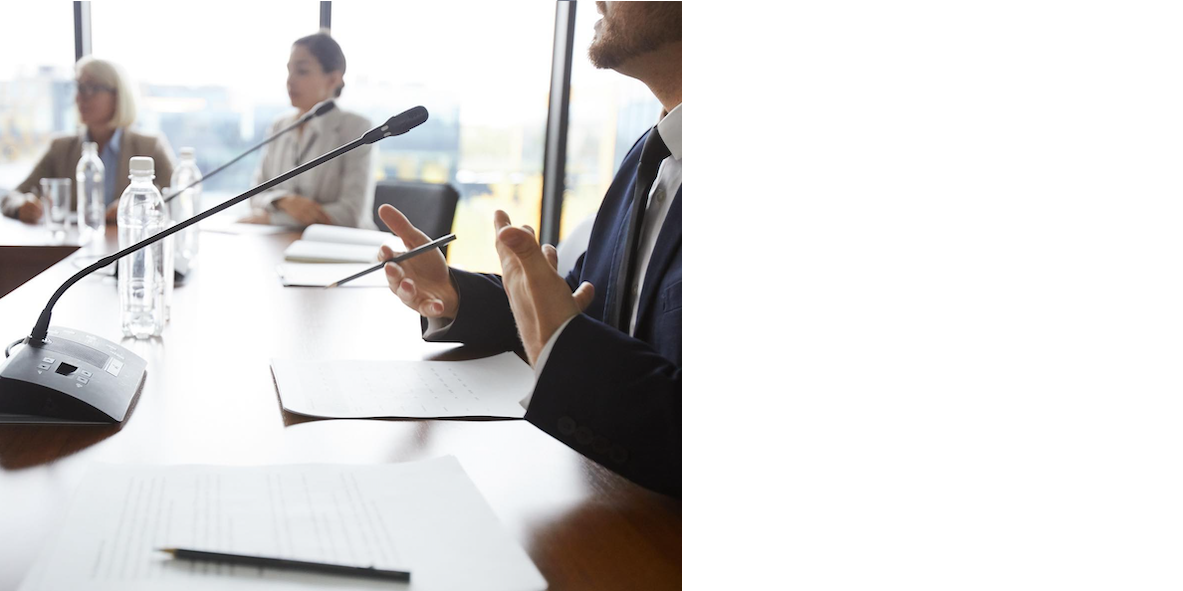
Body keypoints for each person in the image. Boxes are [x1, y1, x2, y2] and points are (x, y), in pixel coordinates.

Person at [376, 1, 682, 497]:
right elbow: (586, 306)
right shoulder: (651, 153)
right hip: (603, 503)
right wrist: (456, 296)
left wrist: (563, 347)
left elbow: (571, 336)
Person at [1, 57, 175, 224]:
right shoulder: (60, 148)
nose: (80, 97)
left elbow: (177, 198)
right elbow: (12, 197)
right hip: (74, 247)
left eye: (92, 88)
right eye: (79, 87)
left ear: (118, 96)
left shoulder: (150, 147)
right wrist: (21, 206)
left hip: (129, 246)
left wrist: (137, 208)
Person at [241, 31, 374, 228]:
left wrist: (273, 218)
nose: (290, 81)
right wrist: (284, 201)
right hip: (283, 242)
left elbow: (351, 214)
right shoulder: (280, 126)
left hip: (340, 247)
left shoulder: (356, 128)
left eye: (302, 71)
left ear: (333, 79)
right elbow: (255, 195)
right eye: (289, 71)